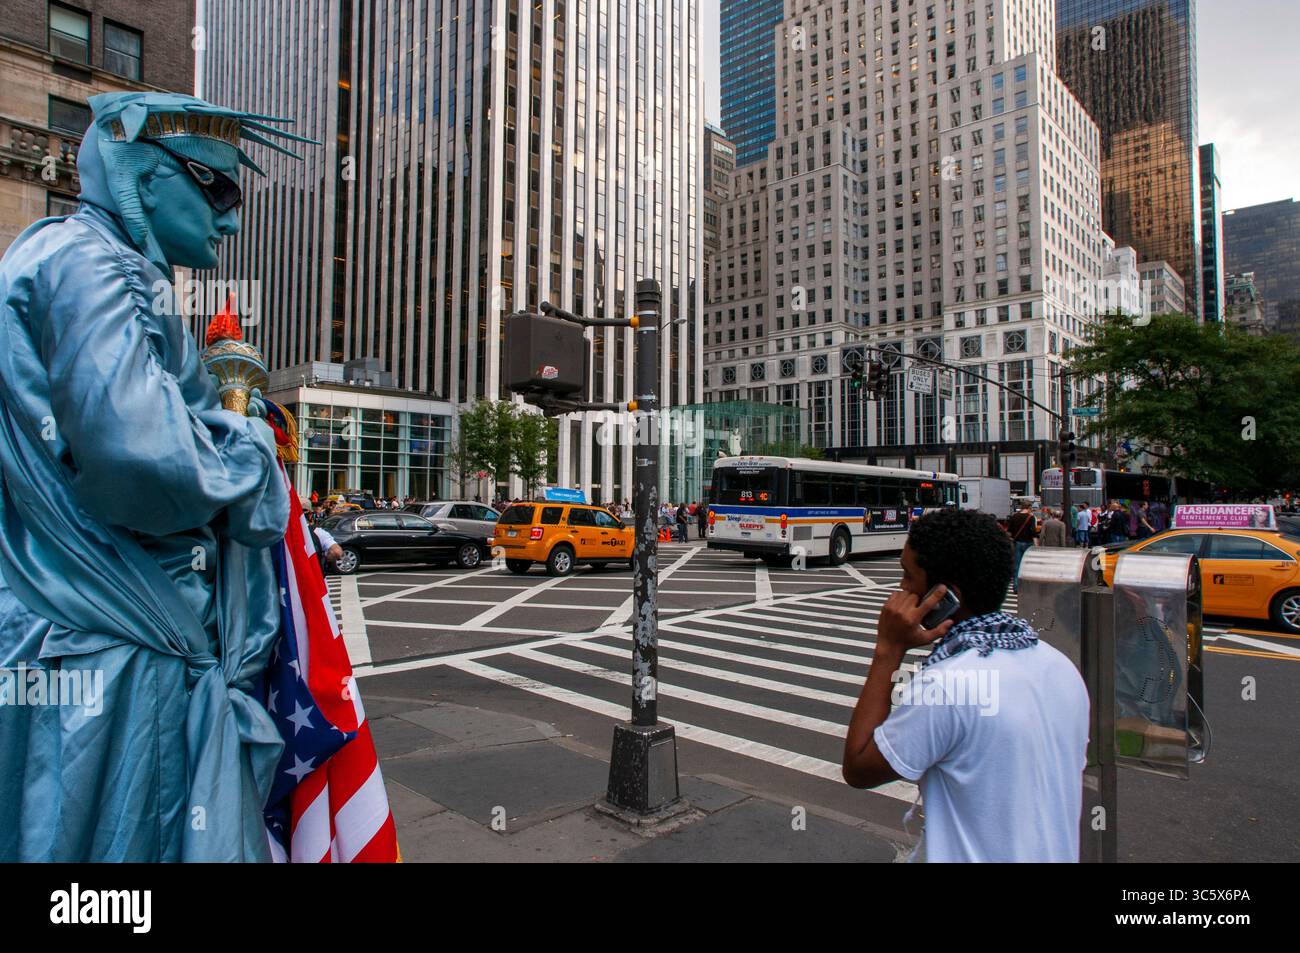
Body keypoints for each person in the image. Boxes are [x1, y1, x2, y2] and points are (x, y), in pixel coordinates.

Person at [0, 92, 313, 861]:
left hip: (103, 657)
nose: (232, 221)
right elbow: (139, 457)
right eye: (219, 188)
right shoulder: (89, 262)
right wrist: (251, 450)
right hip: (111, 669)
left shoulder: (87, 263)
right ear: (144, 175)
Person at [841, 508, 1089, 862]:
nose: (899, 591)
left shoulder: (950, 684)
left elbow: (858, 766)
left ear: (945, 598)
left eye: (907, 576)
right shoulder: (1060, 667)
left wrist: (889, 648)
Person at [1006, 502, 1038, 591]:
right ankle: (1027, 587)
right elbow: (1033, 533)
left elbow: (1009, 531)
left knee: (1017, 565)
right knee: (1027, 565)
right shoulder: (1030, 517)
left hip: (1017, 543)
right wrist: (1036, 545)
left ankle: (1016, 586)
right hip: (1028, 543)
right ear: (1029, 507)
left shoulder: (1014, 516)